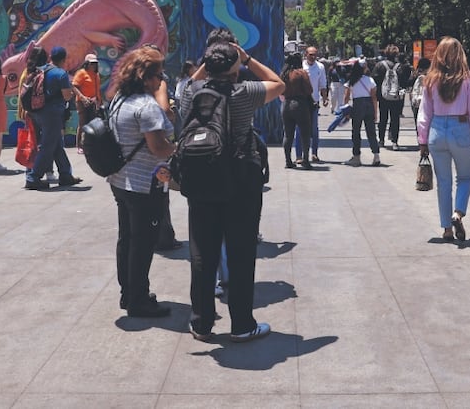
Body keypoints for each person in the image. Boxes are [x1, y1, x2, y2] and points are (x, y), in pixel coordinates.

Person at [179, 41, 285, 343]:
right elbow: (278, 83)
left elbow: (192, 81)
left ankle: (201, 322)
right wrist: (247, 58)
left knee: (202, 253)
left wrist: (209, 58)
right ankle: (241, 325)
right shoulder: (243, 93)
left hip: (201, 178)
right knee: (240, 252)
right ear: (235, 67)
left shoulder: (190, 94)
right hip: (241, 180)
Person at [106, 46, 177, 317]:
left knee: (126, 239)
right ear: (146, 77)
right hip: (144, 185)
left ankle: (128, 293)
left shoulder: (119, 100)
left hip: (120, 180)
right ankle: (139, 299)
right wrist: (176, 149)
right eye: (158, 75)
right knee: (143, 243)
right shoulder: (146, 107)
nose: (161, 80)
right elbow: (158, 147)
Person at [416, 38, 470, 241]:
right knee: (464, 178)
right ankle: (458, 214)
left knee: (444, 182)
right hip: (461, 129)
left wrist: (423, 140)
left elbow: (424, 113)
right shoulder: (468, 80)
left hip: (437, 131)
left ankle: (446, 229)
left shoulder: (430, 80)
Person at [24, 46, 82, 190]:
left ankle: (65, 174)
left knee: (56, 144)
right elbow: (67, 96)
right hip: (52, 114)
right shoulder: (60, 74)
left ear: (51, 58)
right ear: (64, 59)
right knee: (48, 146)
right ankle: (33, 177)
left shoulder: (40, 70)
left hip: (36, 111)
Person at [343, 58, 380, 166]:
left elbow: (346, 97)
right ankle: (376, 155)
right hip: (369, 105)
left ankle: (356, 156)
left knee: (356, 132)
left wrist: (346, 110)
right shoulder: (370, 80)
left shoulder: (351, 81)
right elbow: (374, 97)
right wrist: (375, 112)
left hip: (357, 106)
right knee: (371, 132)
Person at [294, 45, 328, 162]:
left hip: (313, 102)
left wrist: (325, 98)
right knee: (299, 129)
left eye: (315, 54)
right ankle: (299, 156)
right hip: (301, 102)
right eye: (310, 54)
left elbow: (323, 84)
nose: (313, 56)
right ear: (306, 55)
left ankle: (314, 153)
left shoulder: (320, 67)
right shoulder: (300, 66)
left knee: (314, 129)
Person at [281, 51, 314, 169]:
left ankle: (288, 161)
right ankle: (305, 160)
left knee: (288, 135)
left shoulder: (284, 74)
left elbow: (281, 90)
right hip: (300, 104)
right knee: (305, 133)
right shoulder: (301, 73)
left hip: (286, 104)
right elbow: (309, 90)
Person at [374, 44, 411, 150]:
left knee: (383, 118)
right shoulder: (400, 67)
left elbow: (375, 80)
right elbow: (405, 81)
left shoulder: (379, 65)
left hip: (383, 96)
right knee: (395, 119)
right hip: (396, 97)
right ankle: (395, 141)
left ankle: (381, 140)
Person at [71, 53, 103, 154]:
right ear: (87, 63)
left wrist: (99, 101)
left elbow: (97, 89)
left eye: (95, 63)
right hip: (82, 102)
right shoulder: (81, 73)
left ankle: (90, 144)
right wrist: (82, 97)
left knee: (93, 124)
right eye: (91, 63)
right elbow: (74, 86)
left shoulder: (96, 75)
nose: (93, 65)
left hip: (93, 102)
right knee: (82, 123)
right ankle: (79, 145)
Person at [410, 57, 431, 122]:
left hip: (415, 101)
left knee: (417, 120)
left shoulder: (415, 74)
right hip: (425, 102)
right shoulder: (429, 75)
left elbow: (410, 86)